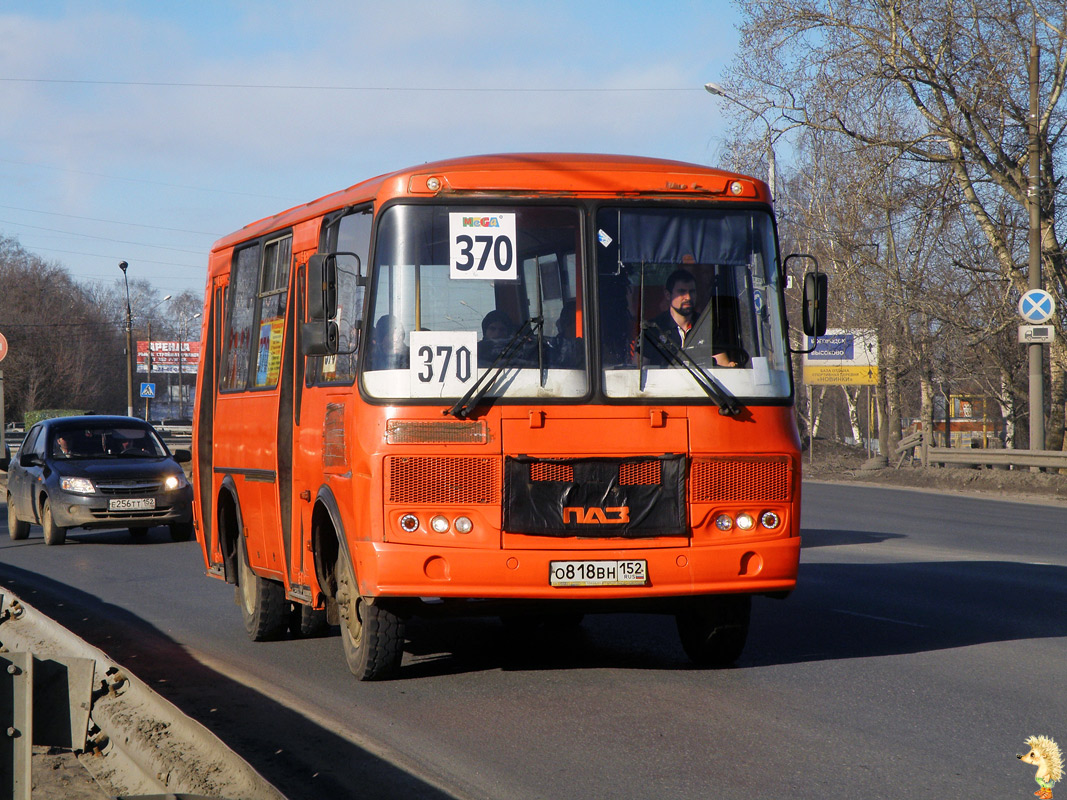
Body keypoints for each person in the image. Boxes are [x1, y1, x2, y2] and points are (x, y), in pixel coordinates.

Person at [645, 268, 741, 368]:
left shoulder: (706, 325)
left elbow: (722, 366)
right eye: (682, 292)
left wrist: (730, 367)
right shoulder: (653, 329)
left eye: (692, 292)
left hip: (701, 383)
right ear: (668, 295)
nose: (688, 297)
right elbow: (638, 370)